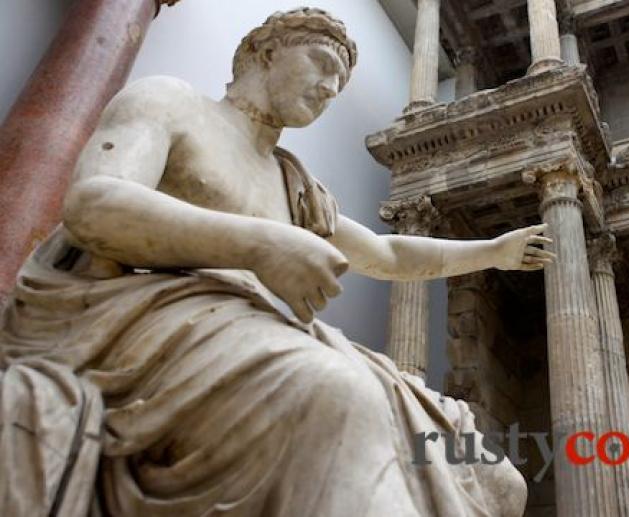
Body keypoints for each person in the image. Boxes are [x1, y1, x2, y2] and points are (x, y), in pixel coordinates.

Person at [0, 8, 552, 516]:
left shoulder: (293, 183)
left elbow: (387, 254)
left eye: (340, 83)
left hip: (253, 333)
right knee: (339, 391)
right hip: (154, 319)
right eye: (322, 64)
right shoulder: (172, 104)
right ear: (265, 53)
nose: (330, 87)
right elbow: (95, 204)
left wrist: (495, 251)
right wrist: (260, 244)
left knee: (492, 475)